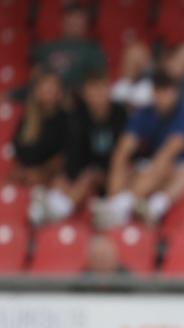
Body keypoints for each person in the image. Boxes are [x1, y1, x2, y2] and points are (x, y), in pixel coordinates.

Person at [94, 70, 184, 229]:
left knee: (166, 166)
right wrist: (116, 189)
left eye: (167, 92)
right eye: (159, 92)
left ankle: (125, 206)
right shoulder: (144, 113)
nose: (163, 98)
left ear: (175, 93)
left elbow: (168, 152)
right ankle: (116, 203)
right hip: (154, 166)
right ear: (153, 93)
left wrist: (135, 189)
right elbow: (123, 150)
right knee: (127, 166)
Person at [31, 71, 127, 225]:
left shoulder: (121, 115)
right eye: (93, 92)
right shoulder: (78, 118)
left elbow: (125, 152)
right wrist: (73, 174)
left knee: (90, 177)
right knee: (63, 178)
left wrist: (101, 171)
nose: (98, 97)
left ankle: (58, 210)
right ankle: (51, 205)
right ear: (85, 95)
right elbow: (76, 154)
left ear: (108, 90)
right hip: (88, 171)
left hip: (115, 172)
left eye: (101, 90)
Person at [11, 71, 70, 203]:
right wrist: (23, 171)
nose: (47, 91)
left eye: (52, 87)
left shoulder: (67, 119)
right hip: (28, 177)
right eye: (44, 87)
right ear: (36, 92)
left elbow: (65, 156)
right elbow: (18, 150)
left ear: (60, 92)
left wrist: (42, 173)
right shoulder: (28, 119)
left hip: (54, 178)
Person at [31, 3, 107, 94]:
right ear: (62, 22)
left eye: (78, 19)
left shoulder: (93, 50)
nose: (74, 23)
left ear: (85, 23)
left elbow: (98, 82)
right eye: (70, 19)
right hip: (51, 98)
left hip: (80, 101)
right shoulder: (46, 48)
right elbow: (36, 74)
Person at [111, 41, 155, 111]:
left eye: (139, 58)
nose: (133, 65)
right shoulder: (117, 89)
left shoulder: (152, 88)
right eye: (130, 59)